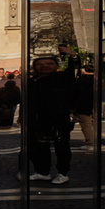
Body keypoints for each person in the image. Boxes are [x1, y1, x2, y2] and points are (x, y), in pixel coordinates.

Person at [26, 49, 78, 185]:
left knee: (61, 146)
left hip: (59, 118)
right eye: (40, 64)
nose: (44, 66)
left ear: (57, 66)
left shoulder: (62, 78)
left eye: (49, 63)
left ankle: (63, 173)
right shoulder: (31, 82)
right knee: (40, 146)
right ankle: (43, 172)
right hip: (39, 120)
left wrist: (72, 56)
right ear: (34, 67)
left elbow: (72, 69)